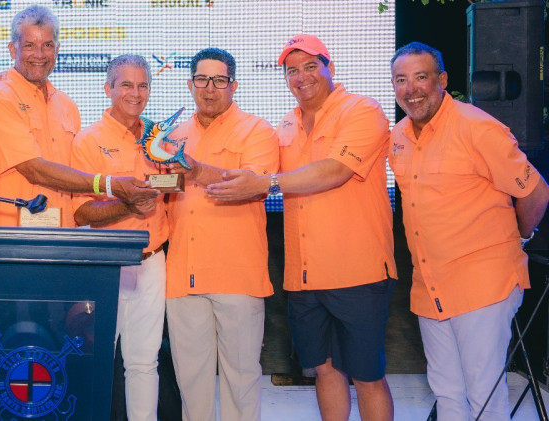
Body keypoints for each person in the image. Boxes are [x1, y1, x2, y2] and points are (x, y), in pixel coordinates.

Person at [206, 34, 397, 421]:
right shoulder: (287, 124)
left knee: (367, 376)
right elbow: (252, 174)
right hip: (304, 276)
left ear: (330, 69)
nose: (301, 76)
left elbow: (335, 170)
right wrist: (190, 167)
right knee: (324, 369)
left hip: (357, 271)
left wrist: (268, 183)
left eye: (311, 66)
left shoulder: (362, 110)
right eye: (292, 70)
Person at [388, 41, 549, 420]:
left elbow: (536, 192)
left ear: (442, 80)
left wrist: (519, 237)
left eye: (421, 77)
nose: (411, 89)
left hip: (483, 284)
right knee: (446, 393)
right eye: (401, 80)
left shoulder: (478, 128)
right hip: (430, 287)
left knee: (485, 396)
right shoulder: (398, 137)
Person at [164, 47, 279, 421]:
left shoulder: (257, 131)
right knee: (190, 381)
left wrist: (195, 170)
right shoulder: (172, 136)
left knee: (241, 379)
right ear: (190, 83)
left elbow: (251, 185)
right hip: (183, 274)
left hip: (237, 275)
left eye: (219, 80)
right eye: (201, 79)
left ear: (234, 85)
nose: (209, 88)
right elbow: (163, 192)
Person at [0, 5, 157, 227]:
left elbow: (74, 174)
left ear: (57, 49)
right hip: (11, 237)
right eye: (29, 45)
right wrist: (110, 184)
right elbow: (34, 170)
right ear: (12, 49)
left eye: (47, 45)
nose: (39, 54)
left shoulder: (67, 105)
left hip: (63, 236)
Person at [71, 54, 168, 421]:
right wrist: (131, 205)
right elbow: (81, 214)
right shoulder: (87, 141)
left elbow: (173, 189)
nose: (135, 93)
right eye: (126, 84)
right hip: (105, 265)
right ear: (108, 88)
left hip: (151, 260)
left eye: (143, 85)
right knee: (95, 359)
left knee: (144, 362)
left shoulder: (159, 139)